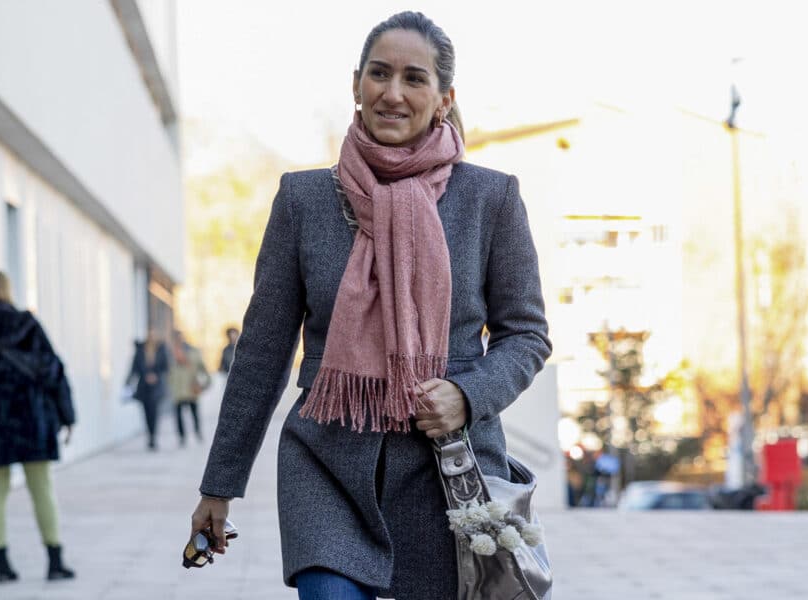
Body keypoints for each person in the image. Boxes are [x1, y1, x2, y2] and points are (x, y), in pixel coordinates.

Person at [190, 12, 550, 599]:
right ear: (356, 84)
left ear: (443, 97)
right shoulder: (303, 200)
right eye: (379, 74)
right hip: (326, 464)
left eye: (414, 78)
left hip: (446, 474)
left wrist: (468, 394)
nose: (393, 92)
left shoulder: (491, 198)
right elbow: (262, 352)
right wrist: (219, 486)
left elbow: (526, 335)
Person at [0, 270, 76, 583]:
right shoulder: (28, 323)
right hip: (31, 418)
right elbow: (53, 369)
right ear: (7, 290)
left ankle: (1, 564)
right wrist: (67, 415)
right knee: (42, 489)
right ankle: (54, 560)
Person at [126, 330, 169, 450]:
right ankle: (150, 435)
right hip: (144, 386)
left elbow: (165, 366)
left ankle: (153, 437)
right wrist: (128, 382)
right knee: (146, 413)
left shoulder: (161, 350)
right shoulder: (140, 351)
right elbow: (134, 368)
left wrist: (156, 375)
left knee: (154, 412)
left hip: (156, 387)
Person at [169, 330, 211, 446]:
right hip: (177, 389)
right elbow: (166, 371)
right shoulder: (169, 353)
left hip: (191, 387)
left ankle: (198, 432)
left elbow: (203, 368)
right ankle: (182, 436)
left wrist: (207, 382)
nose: (178, 339)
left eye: (179, 337)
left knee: (194, 413)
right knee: (178, 415)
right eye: (176, 337)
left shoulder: (193, 351)